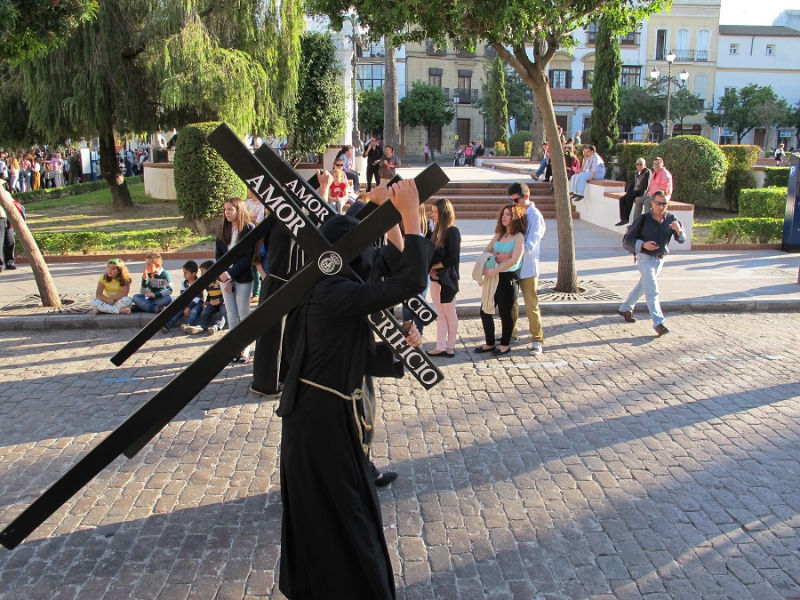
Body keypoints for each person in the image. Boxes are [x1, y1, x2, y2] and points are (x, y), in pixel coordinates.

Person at [276, 179, 431, 600]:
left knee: (338, 517)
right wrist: (410, 216)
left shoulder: (326, 289)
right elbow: (407, 283)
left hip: (322, 421)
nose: (370, 264)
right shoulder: (334, 293)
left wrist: (398, 348)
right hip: (320, 426)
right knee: (346, 518)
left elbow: (355, 355)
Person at [619, 190, 685, 336]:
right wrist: (643, 244)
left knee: (644, 285)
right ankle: (658, 323)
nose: (661, 207)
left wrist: (679, 231)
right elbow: (628, 239)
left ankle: (625, 308)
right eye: (658, 203)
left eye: (664, 204)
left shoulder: (671, 219)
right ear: (652, 203)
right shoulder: (643, 219)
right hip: (645, 258)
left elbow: (681, 239)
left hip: (660, 259)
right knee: (652, 289)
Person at [475, 205, 527, 355]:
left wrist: (498, 267)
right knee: (485, 311)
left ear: (516, 217)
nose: (504, 217)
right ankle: (489, 343)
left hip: (508, 278)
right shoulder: (499, 234)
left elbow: (515, 259)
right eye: (503, 214)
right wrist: (494, 258)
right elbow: (487, 251)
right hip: (493, 277)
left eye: (508, 214)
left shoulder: (519, 237)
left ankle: (505, 344)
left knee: (505, 313)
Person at [507, 183, 547, 355]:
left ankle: (537, 339)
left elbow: (531, 243)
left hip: (528, 267)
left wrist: (514, 248)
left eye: (516, 200)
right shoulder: (515, 212)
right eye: (510, 200)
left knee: (531, 304)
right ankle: (511, 334)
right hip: (513, 266)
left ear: (526, 197)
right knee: (511, 303)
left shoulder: (535, 216)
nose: (513, 203)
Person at [216, 197, 255, 364]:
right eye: (225, 209)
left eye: (230, 209)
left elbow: (247, 258)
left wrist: (230, 275)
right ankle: (234, 348)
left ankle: (245, 348)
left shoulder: (248, 229)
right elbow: (218, 256)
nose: (227, 213)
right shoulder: (222, 230)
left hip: (242, 277)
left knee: (243, 314)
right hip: (224, 278)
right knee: (231, 315)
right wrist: (224, 278)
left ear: (239, 210)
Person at [427, 198, 461, 358]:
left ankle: (450, 346)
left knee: (449, 313)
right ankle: (440, 346)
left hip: (448, 278)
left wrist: (434, 267)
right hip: (435, 277)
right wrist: (430, 269)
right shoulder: (435, 231)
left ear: (444, 213)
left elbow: (452, 258)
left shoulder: (452, 231)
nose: (432, 215)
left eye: (435, 212)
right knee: (440, 313)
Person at [184, 260, 227, 335]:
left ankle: (216, 326)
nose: (201, 274)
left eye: (202, 271)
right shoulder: (206, 282)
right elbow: (210, 294)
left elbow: (227, 294)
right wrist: (207, 301)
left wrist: (219, 301)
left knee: (222, 312)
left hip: (223, 302)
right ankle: (201, 326)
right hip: (212, 303)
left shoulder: (219, 280)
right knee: (205, 311)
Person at [161, 260, 203, 333]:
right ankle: (167, 325)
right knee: (178, 311)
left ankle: (187, 325)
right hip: (186, 302)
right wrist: (185, 306)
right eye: (183, 272)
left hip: (197, 303)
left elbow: (198, 298)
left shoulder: (199, 282)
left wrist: (189, 308)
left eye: (186, 273)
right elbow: (183, 295)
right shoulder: (183, 282)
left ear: (193, 274)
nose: (184, 275)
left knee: (193, 312)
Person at [616, 158, 652, 226]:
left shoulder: (647, 172)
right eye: (637, 164)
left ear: (645, 165)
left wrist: (641, 196)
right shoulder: (636, 172)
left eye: (641, 164)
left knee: (629, 198)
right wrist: (628, 192)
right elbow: (633, 183)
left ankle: (626, 218)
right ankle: (623, 219)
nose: (639, 166)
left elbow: (646, 185)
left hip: (640, 191)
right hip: (634, 190)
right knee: (622, 199)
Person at [245, 190, 265, 303]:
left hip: (258, 238)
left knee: (257, 263)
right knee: (252, 266)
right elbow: (242, 218)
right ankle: (255, 292)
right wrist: (250, 219)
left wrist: (249, 219)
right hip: (247, 238)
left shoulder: (263, 203)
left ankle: (257, 292)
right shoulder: (247, 203)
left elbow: (258, 222)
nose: (251, 193)